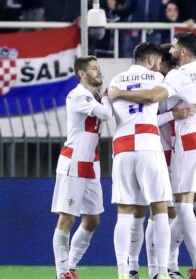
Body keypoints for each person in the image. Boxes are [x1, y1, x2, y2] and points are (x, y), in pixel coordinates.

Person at [109, 33, 196, 279]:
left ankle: (185, 266)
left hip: (180, 144)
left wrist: (119, 92)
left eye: (175, 50)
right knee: (194, 204)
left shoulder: (170, 78)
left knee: (174, 206)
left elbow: (152, 100)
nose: (170, 62)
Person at [109, 43, 173, 279]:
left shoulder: (115, 80)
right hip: (149, 145)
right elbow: (153, 98)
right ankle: (163, 272)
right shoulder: (157, 76)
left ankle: (122, 272)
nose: (159, 64)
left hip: (123, 146)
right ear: (150, 60)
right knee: (160, 209)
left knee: (124, 212)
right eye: (157, 60)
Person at [51, 56, 112, 279]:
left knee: (93, 219)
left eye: (99, 68)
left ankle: (71, 266)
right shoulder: (79, 94)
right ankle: (62, 273)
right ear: (82, 74)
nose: (99, 72)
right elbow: (106, 114)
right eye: (94, 69)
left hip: (91, 163)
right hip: (74, 161)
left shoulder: (94, 96)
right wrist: (108, 98)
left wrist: (105, 97)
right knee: (66, 219)